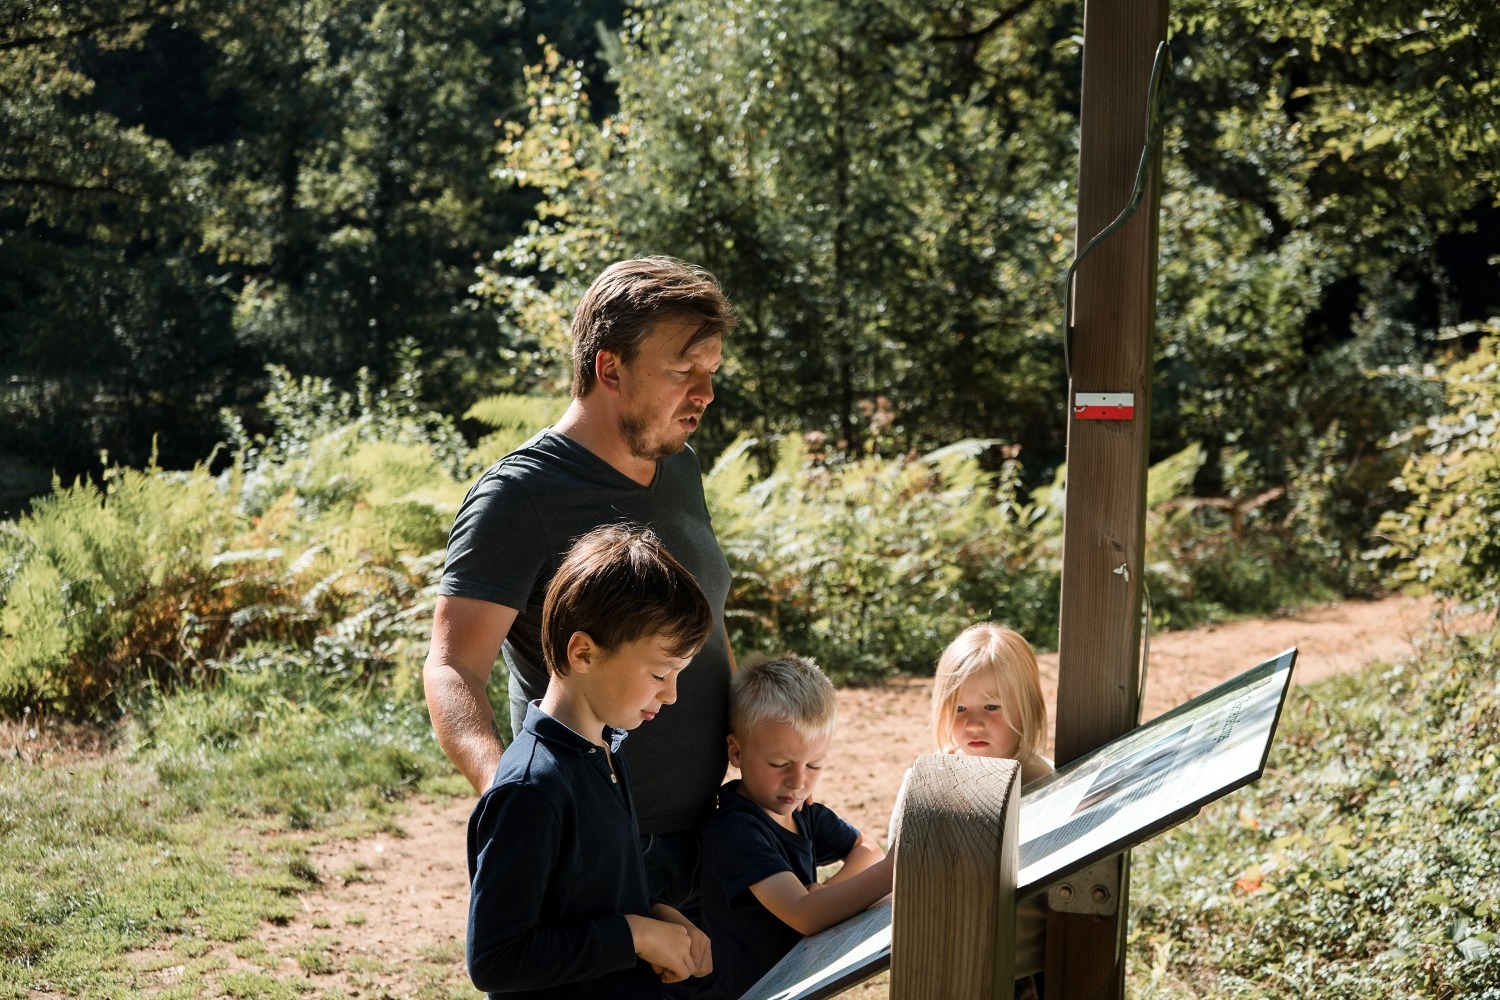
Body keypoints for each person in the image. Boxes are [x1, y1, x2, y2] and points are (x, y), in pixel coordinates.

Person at [426, 256, 736, 914]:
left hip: (709, 832)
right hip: (597, 845)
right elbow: (452, 666)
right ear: (610, 368)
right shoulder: (518, 497)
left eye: (712, 372)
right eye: (684, 370)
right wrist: (510, 794)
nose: (705, 393)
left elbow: (705, 620)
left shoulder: (679, 467)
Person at [466, 524, 715, 998]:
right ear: (583, 652)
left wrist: (654, 917)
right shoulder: (530, 789)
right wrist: (636, 936)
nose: (672, 693)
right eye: (660, 673)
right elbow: (495, 959)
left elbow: (582, 896)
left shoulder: (602, 752)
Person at [699, 655, 894, 999]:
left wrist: (827, 889)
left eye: (814, 764)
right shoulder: (736, 832)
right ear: (736, 752)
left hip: (794, 985)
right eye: (779, 764)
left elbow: (868, 849)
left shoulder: (804, 813)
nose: (798, 781)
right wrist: (897, 870)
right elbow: (804, 915)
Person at [928, 622, 1055, 1000]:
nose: (974, 722)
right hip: (948, 960)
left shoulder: (1040, 781)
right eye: (960, 707)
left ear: (1026, 708)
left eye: (991, 707)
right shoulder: (932, 781)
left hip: (1020, 964)